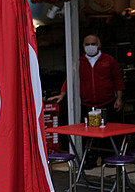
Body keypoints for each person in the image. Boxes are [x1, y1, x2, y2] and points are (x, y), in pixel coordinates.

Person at [48, 34, 125, 167]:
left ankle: (109, 158)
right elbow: (70, 79)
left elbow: (117, 79)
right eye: (87, 44)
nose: (90, 47)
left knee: (108, 133)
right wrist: (62, 95)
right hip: (86, 104)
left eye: (93, 44)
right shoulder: (79, 62)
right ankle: (90, 158)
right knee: (88, 135)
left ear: (99, 45)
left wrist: (119, 98)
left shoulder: (109, 60)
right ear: (83, 46)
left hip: (106, 102)